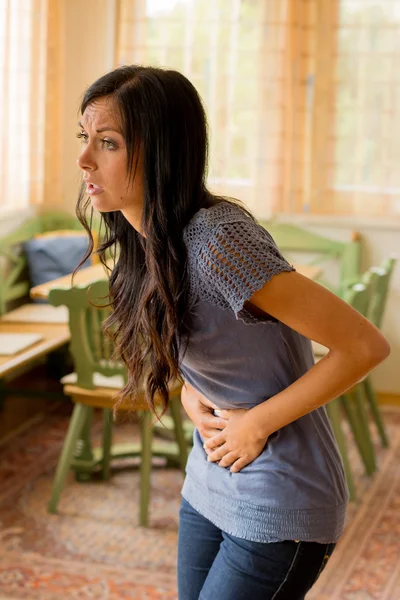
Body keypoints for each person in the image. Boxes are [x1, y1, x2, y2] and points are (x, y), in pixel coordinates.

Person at [75, 65, 390, 600]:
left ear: (162, 152)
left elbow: (364, 346)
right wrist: (194, 393)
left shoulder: (218, 240)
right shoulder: (145, 241)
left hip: (280, 497)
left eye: (108, 143)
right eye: (85, 138)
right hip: (209, 483)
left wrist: (257, 424)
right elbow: (215, 348)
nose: (84, 159)